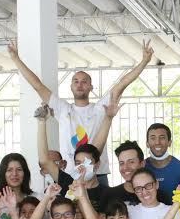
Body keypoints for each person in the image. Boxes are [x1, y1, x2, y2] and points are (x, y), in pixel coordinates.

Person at [10, 39, 153, 185]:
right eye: (76, 81)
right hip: (70, 175)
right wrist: (15, 59)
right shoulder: (63, 109)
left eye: (84, 81)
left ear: (91, 87)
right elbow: (37, 86)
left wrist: (144, 62)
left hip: (98, 174)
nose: (80, 85)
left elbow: (122, 84)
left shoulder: (100, 109)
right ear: (71, 86)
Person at [145, 122, 180, 203]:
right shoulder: (141, 168)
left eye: (162, 137)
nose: (157, 142)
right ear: (147, 143)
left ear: (169, 142)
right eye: (153, 138)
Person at [0, 153, 34, 219]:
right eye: (9, 170)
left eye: (19, 169)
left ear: (25, 173)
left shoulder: (35, 198)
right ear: (3, 174)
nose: (14, 174)